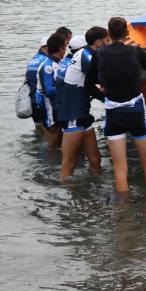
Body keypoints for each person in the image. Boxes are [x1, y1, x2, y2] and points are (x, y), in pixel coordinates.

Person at [93, 15, 146, 194]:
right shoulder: (137, 52)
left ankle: (124, 214)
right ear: (127, 33)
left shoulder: (99, 53)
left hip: (113, 113)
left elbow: (88, 83)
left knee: (120, 169)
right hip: (135, 111)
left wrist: (104, 95)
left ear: (109, 34)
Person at [56, 26, 108, 181]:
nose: (110, 43)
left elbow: (90, 87)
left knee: (95, 159)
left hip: (83, 113)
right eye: (107, 40)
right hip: (73, 115)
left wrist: (108, 100)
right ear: (98, 42)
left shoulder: (89, 54)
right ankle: (68, 199)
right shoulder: (85, 55)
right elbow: (103, 78)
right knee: (69, 163)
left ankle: (94, 194)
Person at [35, 31, 70, 150]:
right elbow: (49, 90)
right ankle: (50, 163)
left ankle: (56, 163)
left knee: (60, 136)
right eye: (65, 47)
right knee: (54, 139)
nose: (66, 50)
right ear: (61, 48)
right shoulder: (47, 66)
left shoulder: (59, 63)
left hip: (57, 105)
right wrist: (69, 88)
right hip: (48, 106)